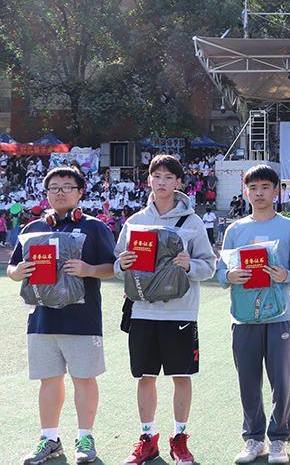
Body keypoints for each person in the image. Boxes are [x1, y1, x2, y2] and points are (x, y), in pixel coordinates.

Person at [8, 167, 116, 465]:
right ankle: (50, 438)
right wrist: (17, 272)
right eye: (54, 187)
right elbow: (13, 267)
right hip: (42, 320)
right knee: (48, 381)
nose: (60, 192)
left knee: (84, 379)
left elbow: (113, 267)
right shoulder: (33, 228)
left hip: (82, 319)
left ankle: (85, 437)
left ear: (80, 192)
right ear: (46, 193)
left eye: (67, 186)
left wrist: (88, 270)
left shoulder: (95, 227)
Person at [114, 155, 216, 465]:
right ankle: (147, 439)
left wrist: (190, 265)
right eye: (156, 176)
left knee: (181, 376)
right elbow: (118, 264)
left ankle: (179, 438)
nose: (162, 182)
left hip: (180, 313)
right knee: (145, 377)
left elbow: (209, 266)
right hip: (143, 311)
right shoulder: (135, 221)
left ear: (178, 182)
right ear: (148, 180)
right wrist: (122, 264)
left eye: (168, 177)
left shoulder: (193, 222)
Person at [217, 165, 290, 464]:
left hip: (278, 316)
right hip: (243, 317)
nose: (259, 193)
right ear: (245, 192)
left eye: (265, 187)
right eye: (253, 188)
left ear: (276, 191)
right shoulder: (235, 230)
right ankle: (254, 439)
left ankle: (279, 438)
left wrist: (285, 276)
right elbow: (221, 272)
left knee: (281, 380)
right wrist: (230, 276)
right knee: (248, 380)